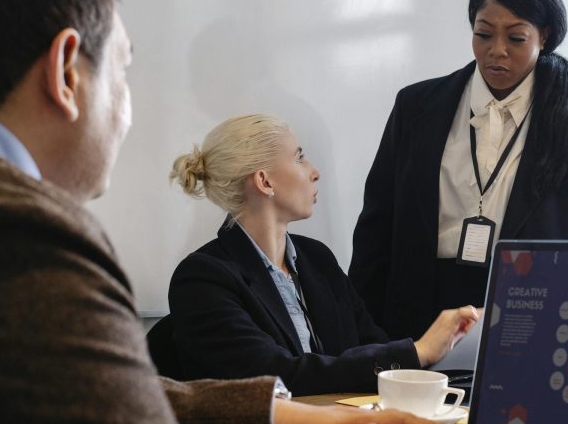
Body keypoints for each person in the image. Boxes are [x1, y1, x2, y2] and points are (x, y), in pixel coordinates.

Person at [0, 0, 440, 423]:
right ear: (65, 71)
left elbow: (125, 388)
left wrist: (298, 416)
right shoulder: (10, 229)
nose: (128, 109)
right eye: (123, 70)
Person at [348, 0, 568, 342]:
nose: (496, 51)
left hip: (532, 312)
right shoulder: (416, 107)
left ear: (543, 37)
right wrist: (360, 334)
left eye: (516, 38)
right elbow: (377, 227)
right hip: (417, 310)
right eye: (483, 34)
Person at [165, 114, 479, 396]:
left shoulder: (317, 259)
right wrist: (419, 351)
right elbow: (278, 378)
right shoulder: (202, 280)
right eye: (299, 158)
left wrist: (434, 350)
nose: (315, 172)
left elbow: (372, 346)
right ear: (264, 181)